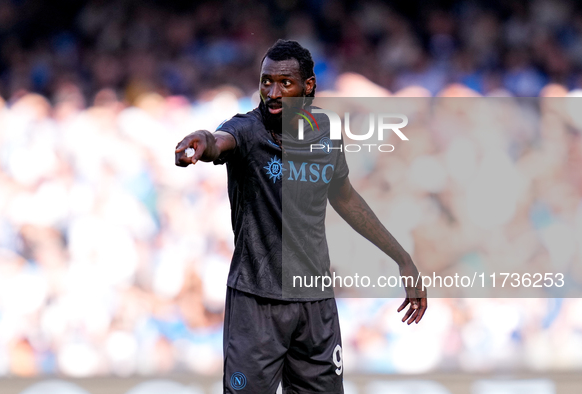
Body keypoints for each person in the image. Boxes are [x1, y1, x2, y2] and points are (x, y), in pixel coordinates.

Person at [175, 39, 426, 394]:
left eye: (284, 83)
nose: (272, 92)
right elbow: (219, 140)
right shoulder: (246, 130)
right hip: (256, 301)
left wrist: (403, 259)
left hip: (314, 301)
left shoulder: (324, 132)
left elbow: (345, 197)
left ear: (308, 86)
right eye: (266, 81)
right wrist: (201, 141)